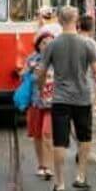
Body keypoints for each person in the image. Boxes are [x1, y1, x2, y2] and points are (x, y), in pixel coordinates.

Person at [34, 6, 96, 191]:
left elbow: (41, 71)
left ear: (59, 21)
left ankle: (60, 184)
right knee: (84, 138)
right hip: (83, 98)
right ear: (76, 20)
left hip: (59, 99)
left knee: (59, 140)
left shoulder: (52, 45)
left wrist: (41, 89)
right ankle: (81, 177)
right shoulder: (88, 44)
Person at [25, 31, 55, 179]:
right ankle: (41, 164)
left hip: (51, 103)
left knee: (47, 133)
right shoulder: (32, 59)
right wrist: (31, 73)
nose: (47, 45)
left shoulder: (58, 60)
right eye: (44, 43)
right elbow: (24, 78)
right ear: (39, 45)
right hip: (36, 102)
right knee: (37, 135)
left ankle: (48, 166)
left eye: (50, 42)